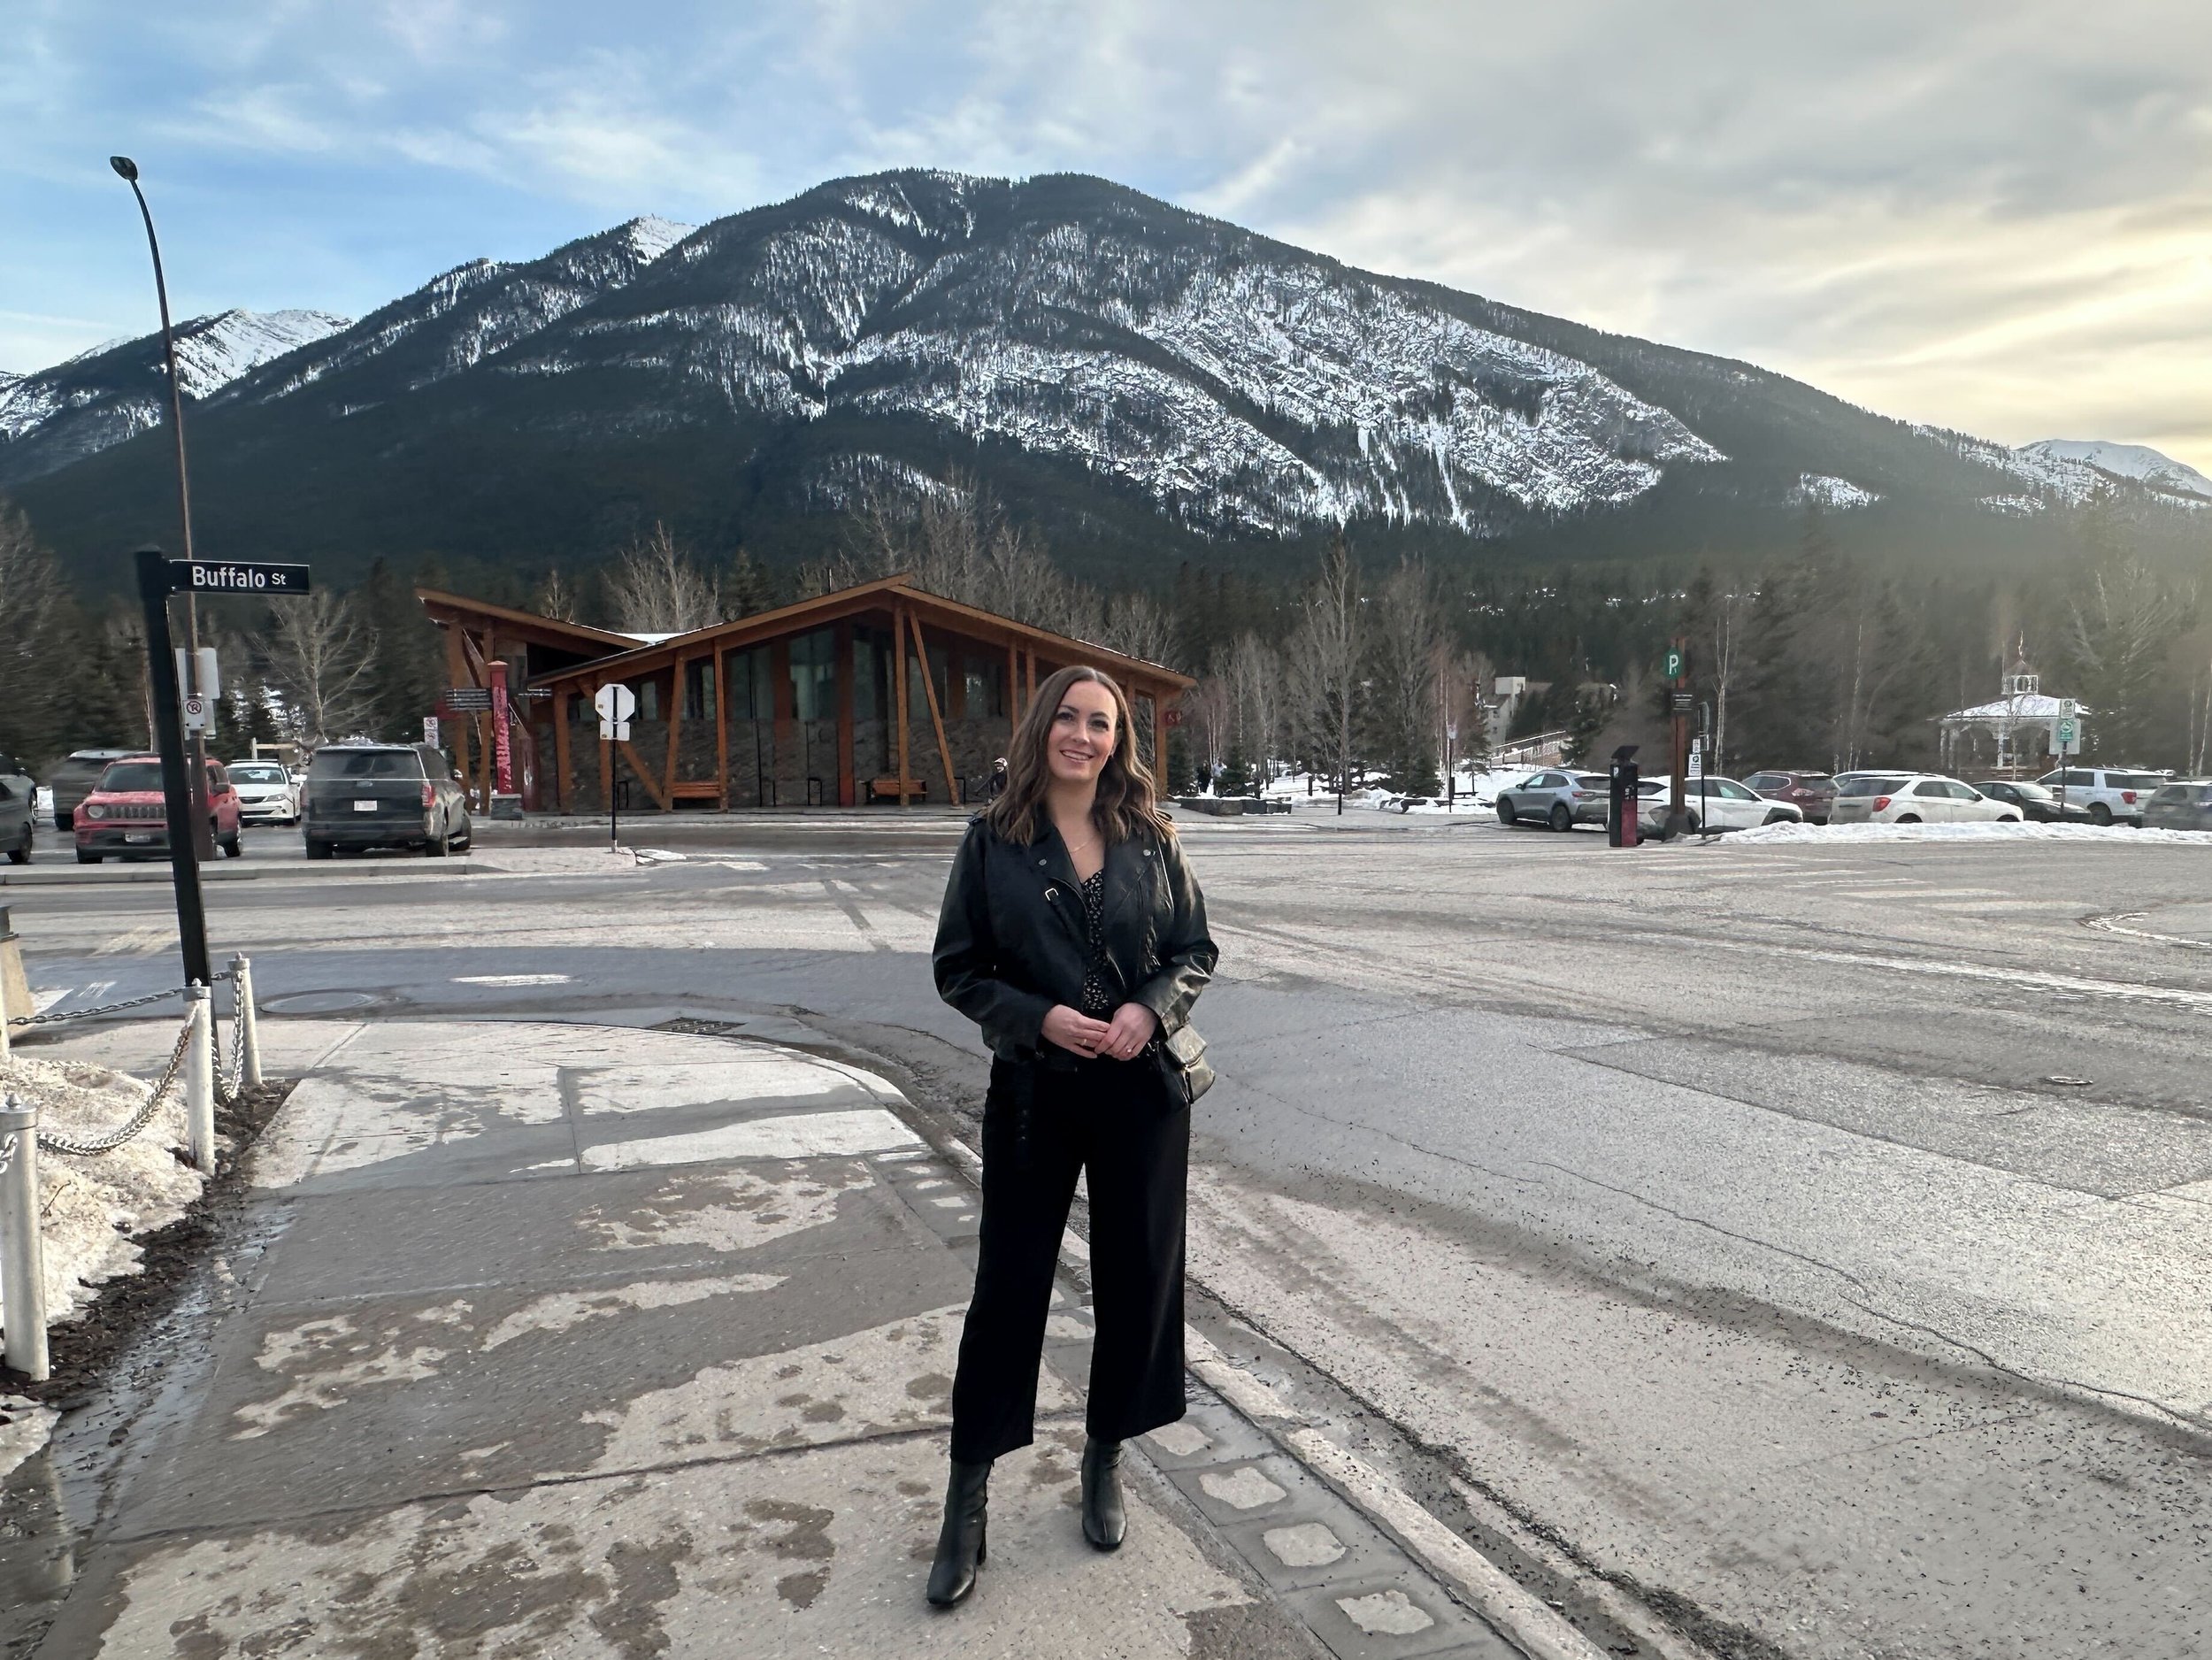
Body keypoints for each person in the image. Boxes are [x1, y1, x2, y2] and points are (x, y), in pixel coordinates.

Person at [926, 665, 1217, 1609]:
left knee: (1139, 1283)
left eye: (1100, 723)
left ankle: (1104, 1458)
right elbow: (958, 969)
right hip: (1034, 1094)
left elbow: (1194, 950)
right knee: (1008, 1292)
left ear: (1116, 739)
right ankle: (966, 1499)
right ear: (1041, 726)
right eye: (1068, 717)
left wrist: (1148, 1008)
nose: (1082, 736)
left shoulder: (1150, 838)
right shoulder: (992, 842)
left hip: (1141, 1093)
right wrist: (1037, 1018)